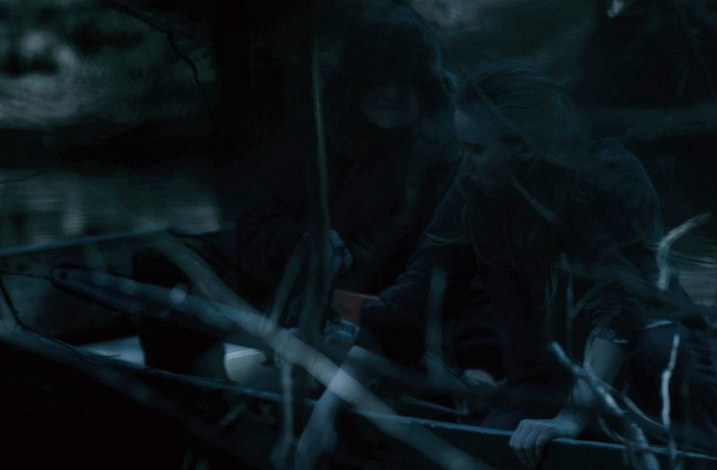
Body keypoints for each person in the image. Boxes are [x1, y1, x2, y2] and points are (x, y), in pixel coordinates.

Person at [294, 60, 717, 469]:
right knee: (487, 450)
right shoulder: (473, 193)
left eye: (476, 150)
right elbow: (411, 302)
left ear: (525, 148)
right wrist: (323, 415)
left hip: (646, 372)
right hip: (541, 381)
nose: (466, 164)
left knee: (658, 343)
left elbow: (622, 301)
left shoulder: (609, 174)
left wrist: (571, 417)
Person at [131, 11, 503, 386]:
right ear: (356, 82)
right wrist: (304, 243)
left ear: (426, 86)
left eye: (404, 81)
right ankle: (185, 393)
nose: (390, 92)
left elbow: (474, 267)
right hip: (308, 283)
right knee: (160, 260)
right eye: (377, 79)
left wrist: (481, 360)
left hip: (384, 306)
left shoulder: (452, 155)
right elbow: (260, 221)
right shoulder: (328, 134)